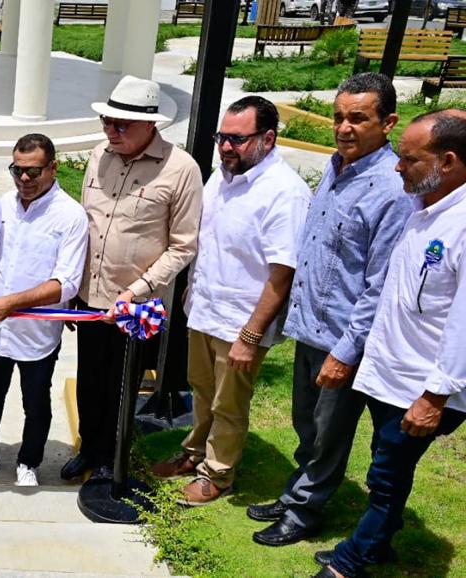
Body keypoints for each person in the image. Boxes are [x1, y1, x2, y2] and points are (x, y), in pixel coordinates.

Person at [247, 73, 414, 546]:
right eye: (339, 116)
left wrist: (346, 352)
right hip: (309, 328)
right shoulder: (336, 167)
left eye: (358, 118)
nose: (344, 127)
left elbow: (379, 283)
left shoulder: (392, 189)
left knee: (328, 433)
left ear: (388, 123)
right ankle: (298, 491)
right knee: (307, 424)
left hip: (344, 339)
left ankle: (305, 511)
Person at [314, 110, 466, 578]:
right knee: (387, 469)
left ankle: (349, 563)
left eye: (410, 159)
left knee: (385, 477)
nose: (398, 167)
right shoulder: (421, 209)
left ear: (449, 161)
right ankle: (377, 544)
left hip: (423, 386)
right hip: (390, 375)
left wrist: (434, 396)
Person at [150, 97, 309, 505]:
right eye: (222, 137)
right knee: (203, 391)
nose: (225, 147)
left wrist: (251, 337)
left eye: (237, 139)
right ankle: (194, 452)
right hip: (205, 310)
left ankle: (218, 474)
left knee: (229, 403)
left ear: (268, 139)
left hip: (241, 322)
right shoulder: (221, 178)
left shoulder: (285, 193)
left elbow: (282, 274)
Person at [61, 75, 202, 481]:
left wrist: (136, 290)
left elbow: (183, 246)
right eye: (106, 121)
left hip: (136, 305)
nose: (111, 130)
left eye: (121, 125)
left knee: (121, 386)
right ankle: (91, 447)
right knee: (90, 380)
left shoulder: (181, 169)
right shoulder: (98, 155)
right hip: (90, 294)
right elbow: (86, 225)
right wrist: (71, 286)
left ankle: (114, 458)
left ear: (150, 125)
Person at [0, 134, 88, 487]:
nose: (24, 179)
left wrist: (10, 304)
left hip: (37, 335)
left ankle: (29, 462)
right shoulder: (3, 206)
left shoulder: (71, 216)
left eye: (34, 171)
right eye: (17, 170)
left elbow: (66, 283)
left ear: (53, 168)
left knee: (36, 404)